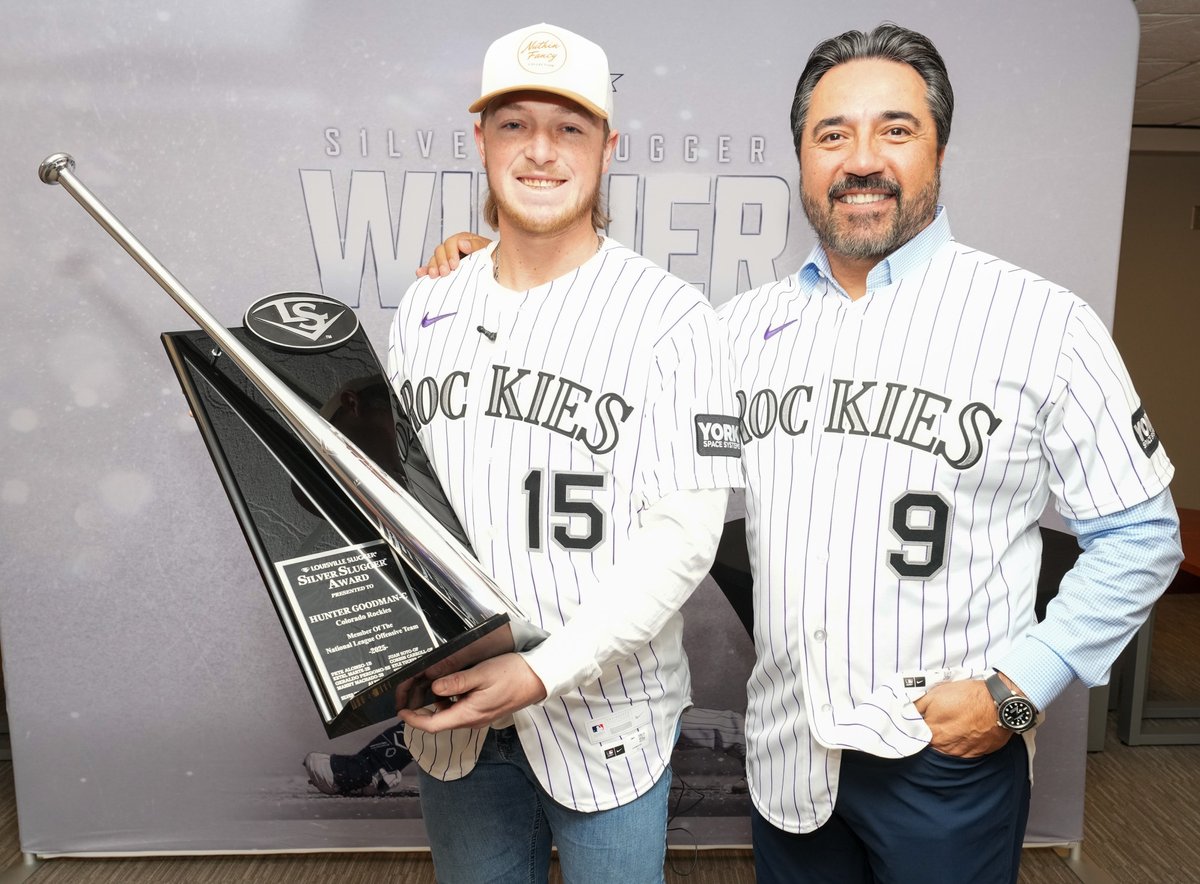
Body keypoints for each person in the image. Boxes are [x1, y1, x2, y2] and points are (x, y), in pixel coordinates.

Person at [421, 22, 1184, 884]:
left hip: (947, 755)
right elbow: (603, 370)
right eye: (832, 135)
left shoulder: (1044, 324)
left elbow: (1142, 537)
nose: (861, 159)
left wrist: (1016, 693)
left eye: (895, 129)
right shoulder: (737, 332)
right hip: (789, 759)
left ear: (939, 147)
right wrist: (488, 262)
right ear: (802, 159)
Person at [386, 22, 742, 883]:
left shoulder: (673, 319)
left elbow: (683, 540)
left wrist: (543, 672)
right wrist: (384, 656)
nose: (540, 151)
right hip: (455, 721)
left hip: (606, 715)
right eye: (514, 124)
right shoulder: (424, 309)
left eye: (569, 127)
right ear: (480, 140)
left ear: (607, 147)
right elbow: (391, 510)